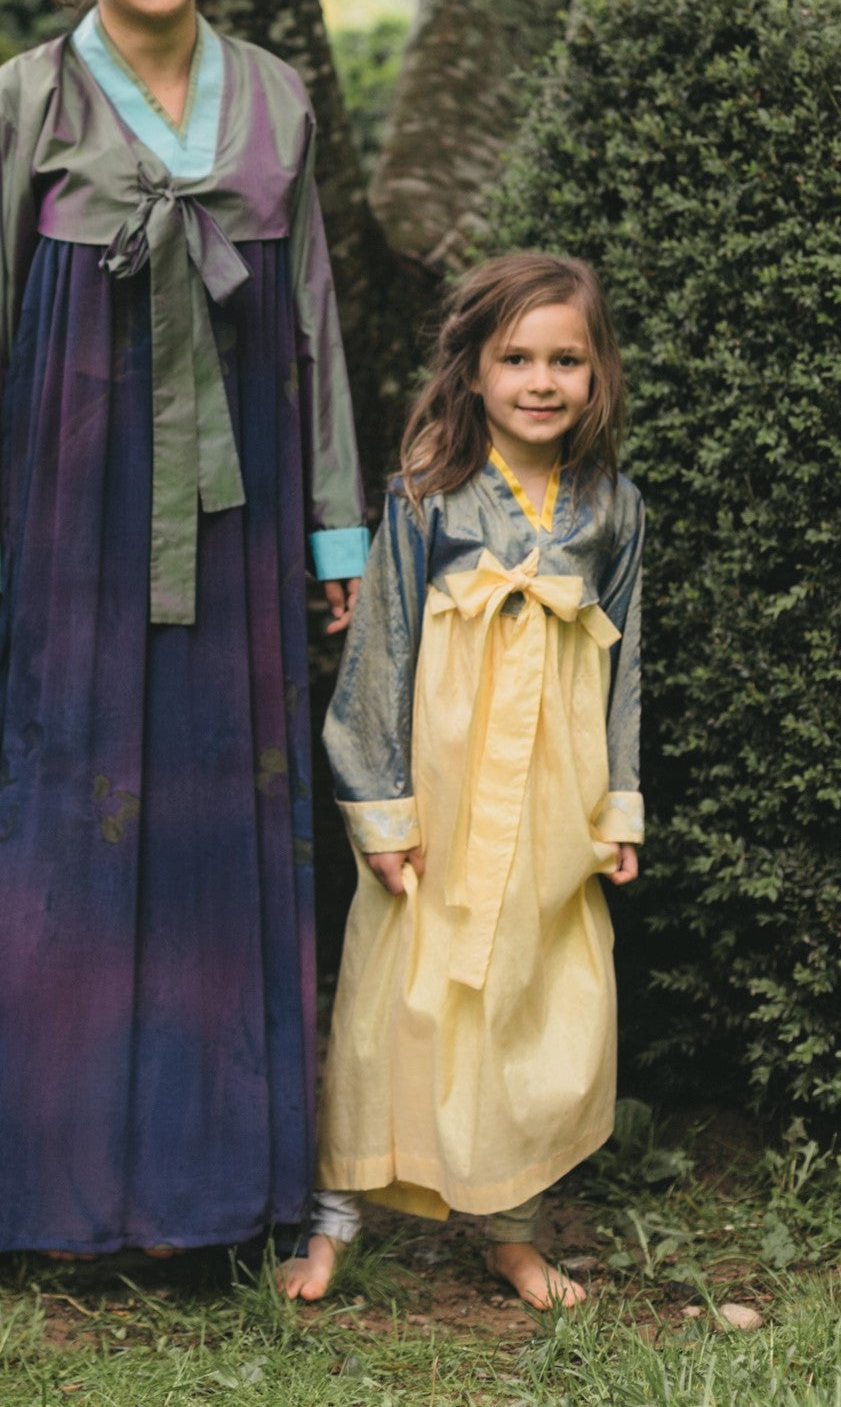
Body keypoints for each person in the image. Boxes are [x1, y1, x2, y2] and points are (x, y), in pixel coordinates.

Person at [0, 0, 368, 1259]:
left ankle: (213, 1188)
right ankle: (57, 1190)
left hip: (232, 512)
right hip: (66, 513)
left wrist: (334, 534)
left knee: (222, 813)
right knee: (66, 817)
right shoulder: (23, 103)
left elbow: (311, 328)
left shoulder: (278, 100)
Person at [281, 252, 643, 1308]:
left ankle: (512, 1227)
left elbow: (626, 669)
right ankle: (334, 1224)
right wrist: (380, 812)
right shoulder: (427, 498)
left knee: (539, 1004)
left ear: (596, 373)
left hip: (549, 800)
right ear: (474, 372)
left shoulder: (612, 511)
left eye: (564, 359)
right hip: (437, 801)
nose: (540, 380)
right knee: (399, 1000)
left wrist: (617, 802)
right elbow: (379, 657)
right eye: (515, 357)